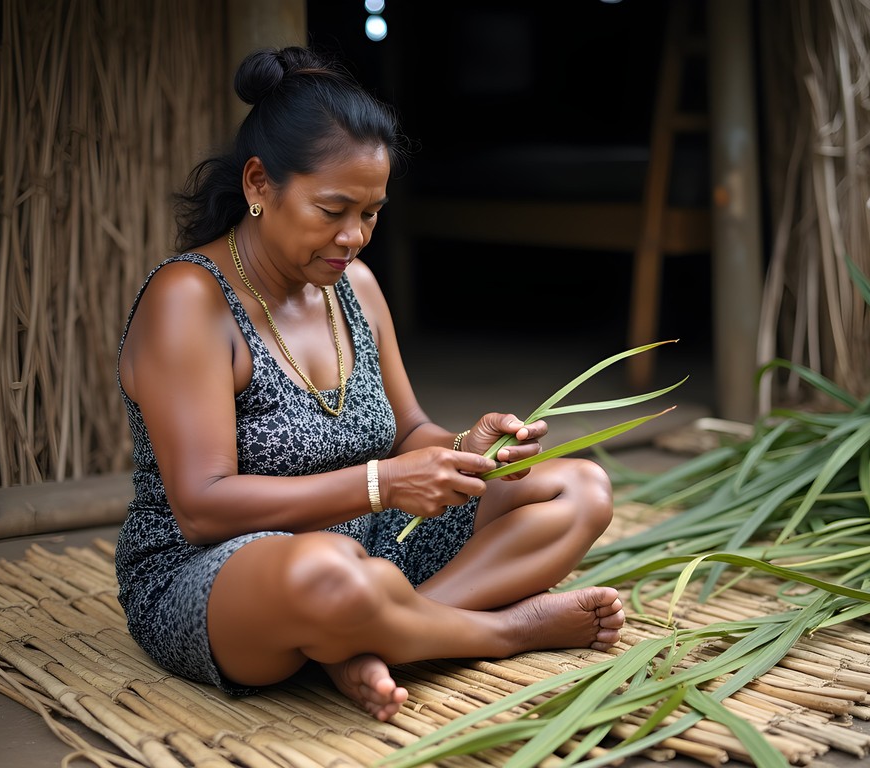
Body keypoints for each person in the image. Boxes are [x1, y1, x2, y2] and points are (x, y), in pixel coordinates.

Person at [115, 45, 625, 722]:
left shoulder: (352, 286)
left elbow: (410, 430)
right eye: (333, 210)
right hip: (222, 571)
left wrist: (467, 449)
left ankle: (374, 637)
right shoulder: (190, 299)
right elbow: (201, 508)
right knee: (324, 571)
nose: (354, 236)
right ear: (260, 184)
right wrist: (383, 484)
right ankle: (502, 631)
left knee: (578, 487)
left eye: (372, 212)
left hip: (373, 546)